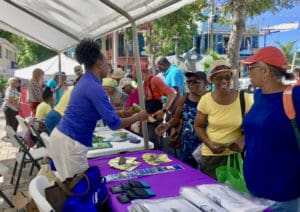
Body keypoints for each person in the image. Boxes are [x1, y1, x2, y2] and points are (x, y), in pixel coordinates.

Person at [48, 38, 148, 180]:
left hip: (64, 138)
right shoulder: (94, 87)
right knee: (78, 190)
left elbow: (102, 112)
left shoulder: (86, 81)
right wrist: (138, 117)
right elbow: (114, 124)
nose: (109, 66)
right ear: (99, 63)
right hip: (70, 143)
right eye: (107, 62)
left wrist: (126, 112)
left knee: (73, 187)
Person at [238, 46, 300, 210]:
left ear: (265, 71)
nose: (248, 72)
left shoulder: (295, 96)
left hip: (284, 194)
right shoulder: (259, 95)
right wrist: (244, 141)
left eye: (251, 68)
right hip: (254, 188)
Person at [194, 60, 253, 179]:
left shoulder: (244, 98)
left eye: (227, 77)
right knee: (212, 192)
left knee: (236, 193)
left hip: (236, 155)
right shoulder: (206, 99)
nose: (224, 81)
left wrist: (243, 139)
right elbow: (198, 126)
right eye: (219, 78)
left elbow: (254, 126)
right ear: (213, 80)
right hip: (211, 156)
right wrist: (209, 143)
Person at [155, 71, 207, 168]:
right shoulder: (184, 98)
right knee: (189, 172)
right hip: (186, 145)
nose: (191, 84)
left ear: (205, 83)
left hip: (205, 145)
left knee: (204, 174)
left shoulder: (210, 99)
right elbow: (177, 118)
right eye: (189, 81)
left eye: (196, 81)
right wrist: (167, 125)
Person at [133, 62, 177, 150]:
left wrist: (164, 110)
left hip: (155, 120)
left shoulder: (155, 80)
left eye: (135, 74)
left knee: (154, 145)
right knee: (147, 144)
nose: (135, 77)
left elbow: (172, 94)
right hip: (147, 120)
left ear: (141, 72)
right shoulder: (144, 84)